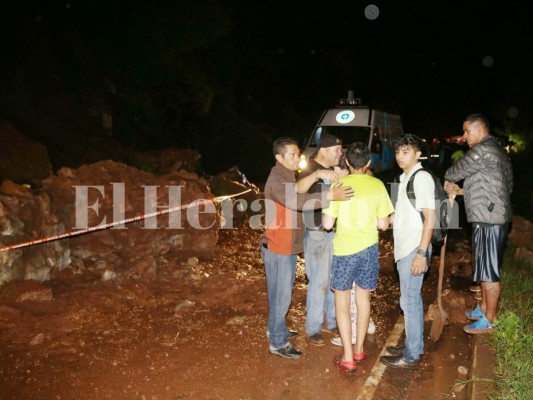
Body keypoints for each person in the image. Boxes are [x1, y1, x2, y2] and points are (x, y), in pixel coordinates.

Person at [260, 136, 353, 359]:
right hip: (278, 246)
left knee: (278, 293)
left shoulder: (287, 175)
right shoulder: (277, 179)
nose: (297, 157)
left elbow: (302, 193)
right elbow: (298, 202)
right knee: (282, 296)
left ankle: (276, 329)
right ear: (279, 157)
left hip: (287, 246)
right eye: (291, 154)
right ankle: (278, 343)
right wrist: (330, 195)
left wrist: (321, 175)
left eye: (297, 153)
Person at [322, 142, 394, 374]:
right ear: (369, 163)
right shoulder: (377, 185)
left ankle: (348, 357)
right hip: (369, 250)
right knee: (364, 301)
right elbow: (384, 224)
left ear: (347, 163)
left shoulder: (339, 185)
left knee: (342, 304)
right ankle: (360, 348)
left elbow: (326, 224)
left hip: (344, 251)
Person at [444, 114, 513, 334]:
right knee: (484, 268)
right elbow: (498, 186)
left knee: (490, 271)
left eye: (466, 131)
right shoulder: (497, 150)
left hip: (489, 220)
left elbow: (454, 171)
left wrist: (450, 181)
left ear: (480, 129)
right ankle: (483, 308)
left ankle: (489, 320)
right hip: (491, 216)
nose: (464, 136)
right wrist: (462, 191)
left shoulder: (483, 151)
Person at [380, 133, 436, 371]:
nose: (400, 157)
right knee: (410, 300)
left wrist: (421, 254)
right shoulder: (406, 178)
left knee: (410, 301)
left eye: (406, 152)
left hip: (415, 247)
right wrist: (383, 220)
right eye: (398, 152)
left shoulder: (420, 178)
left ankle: (411, 355)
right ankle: (413, 346)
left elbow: (430, 217)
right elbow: (403, 214)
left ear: (418, 154)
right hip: (406, 247)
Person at [296, 134, 348, 346]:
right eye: (337, 149)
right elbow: (297, 190)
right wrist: (318, 174)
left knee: (332, 280)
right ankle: (313, 327)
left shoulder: (336, 170)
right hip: (317, 233)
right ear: (324, 149)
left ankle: (332, 320)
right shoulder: (311, 169)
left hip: (334, 232)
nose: (340, 153)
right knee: (319, 281)